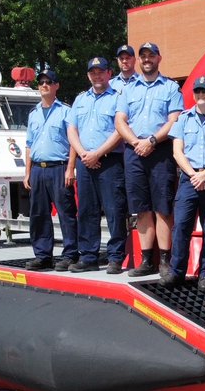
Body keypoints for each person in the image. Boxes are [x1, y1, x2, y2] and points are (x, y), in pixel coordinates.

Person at [115, 42, 183, 277]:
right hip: (134, 152)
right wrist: (136, 142)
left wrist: (152, 141)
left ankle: (164, 259)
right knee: (141, 208)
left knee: (162, 207)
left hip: (161, 151)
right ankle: (146, 261)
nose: (146, 59)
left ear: (158, 58)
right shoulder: (128, 89)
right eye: (143, 56)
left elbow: (174, 120)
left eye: (150, 55)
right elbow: (120, 120)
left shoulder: (171, 88)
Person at [162, 75, 205, 289]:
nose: (201, 95)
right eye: (197, 91)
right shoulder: (183, 119)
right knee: (181, 226)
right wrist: (194, 174)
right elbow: (177, 152)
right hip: (188, 179)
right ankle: (177, 271)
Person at [67, 56, 127, 273]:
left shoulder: (119, 98)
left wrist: (98, 153)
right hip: (85, 162)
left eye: (101, 71)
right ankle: (89, 257)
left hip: (110, 161)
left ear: (109, 73)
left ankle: (115, 258)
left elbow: (120, 130)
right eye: (93, 72)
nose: (97, 75)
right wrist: (84, 154)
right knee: (86, 211)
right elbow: (72, 130)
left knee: (114, 210)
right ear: (88, 76)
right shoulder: (80, 100)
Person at [22, 69, 78, 271]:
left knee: (66, 213)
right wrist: (27, 172)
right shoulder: (34, 113)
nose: (44, 85)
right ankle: (43, 255)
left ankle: (70, 254)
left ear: (56, 86)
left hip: (59, 168)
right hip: (38, 169)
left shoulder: (66, 111)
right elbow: (29, 144)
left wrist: (70, 168)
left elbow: (73, 142)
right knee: (38, 214)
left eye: (49, 82)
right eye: (41, 82)